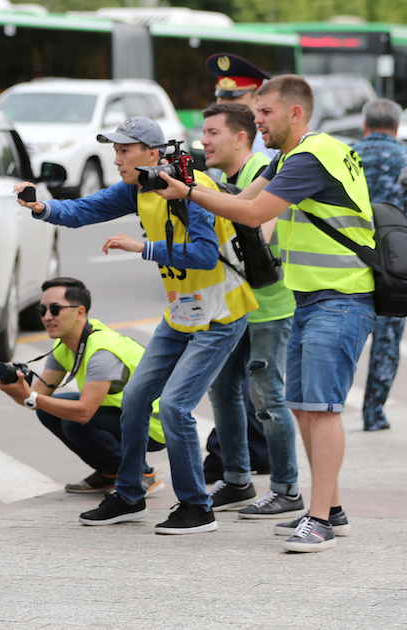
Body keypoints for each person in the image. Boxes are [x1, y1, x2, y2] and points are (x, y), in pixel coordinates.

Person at [155, 75, 376, 552]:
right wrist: (190, 185)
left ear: (295, 113)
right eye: (255, 114)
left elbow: (253, 216)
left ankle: (317, 521)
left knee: (322, 407)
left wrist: (188, 194)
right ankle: (330, 509)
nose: (257, 122)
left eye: (265, 113)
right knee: (301, 404)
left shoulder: (313, 156)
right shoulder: (288, 157)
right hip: (312, 299)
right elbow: (239, 204)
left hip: (341, 296)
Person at [16, 116, 257, 535]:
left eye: (124, 151)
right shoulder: (138, 188)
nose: (116, 159)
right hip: (181, 313)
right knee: (135, 400)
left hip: (220, 315)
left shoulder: (192, 187)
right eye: (115, 150)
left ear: (152, 153)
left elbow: (203, 253)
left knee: (178, 408)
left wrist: (142, 247)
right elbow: (83, 210)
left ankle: (197, 507)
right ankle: (129, 495)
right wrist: (41, 206)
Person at [198, 103, 304, 519]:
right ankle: (237, 479)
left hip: (268, 306)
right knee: (223, 392)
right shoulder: (229, 178)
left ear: (240, 137)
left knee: (266, 399)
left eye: (212, 133)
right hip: (233, 304)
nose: (202, 141)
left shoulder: (263, 168)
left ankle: (287, 489)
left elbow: (257, 236)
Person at [0, 277, 166, 496]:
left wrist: (30, 397)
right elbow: (36, 398)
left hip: (155, 424)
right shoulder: (64, 344)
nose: (47, 317)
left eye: (55, 309)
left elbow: (84, 413)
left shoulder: (102, 352)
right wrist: (14, 389)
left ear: (80, 312)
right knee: (49, 411)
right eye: (42, 309)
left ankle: (140, 474)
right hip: (125, 413)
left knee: (75, 421)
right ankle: (111, 472)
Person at [202, 53, 276, 481]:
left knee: (255, 389)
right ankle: (236, 462)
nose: (233, 101)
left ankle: (238, 463)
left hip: (265, 291)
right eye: (223, 96)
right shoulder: (243, 151)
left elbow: (254, 225)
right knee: (234, 384)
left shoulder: (261, 157)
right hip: (248, 289)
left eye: (242, 97)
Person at [352, 99, 407, 432]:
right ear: (397, 128)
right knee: (387, 339)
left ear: (365, 125)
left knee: (343, 333)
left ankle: (331, 403)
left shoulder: (347, 156)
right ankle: (374, 413)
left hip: (349, 259)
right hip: (395, 264)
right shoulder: (405, 159)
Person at [206, 53, 278, 160]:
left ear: (257, 100)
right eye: (221, 97)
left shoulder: (269, 142)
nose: (223, 105)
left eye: (233, 99)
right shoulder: (218, 141)